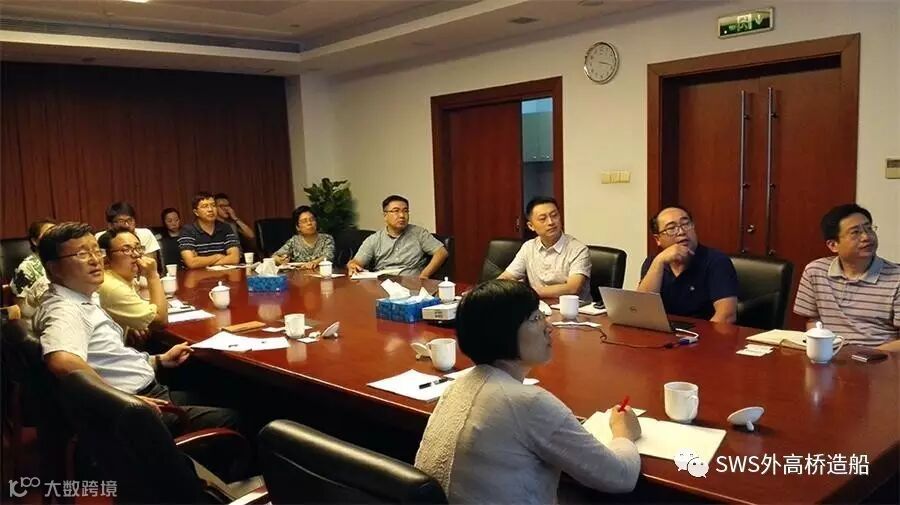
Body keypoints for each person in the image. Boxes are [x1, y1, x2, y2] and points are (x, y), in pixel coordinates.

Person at [415, 280, 641, 503]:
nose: (549, 327)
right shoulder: (529, 403)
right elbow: (621, 476)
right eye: (535, 319)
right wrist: (623, 432)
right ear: (502, 333)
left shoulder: (456, 386)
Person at [34, 222, 238, 434]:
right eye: (82, 254)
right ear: (54, 268)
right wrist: (122, 401)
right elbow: (62, 361)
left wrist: (158, 360)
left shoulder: (81, 297)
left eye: (96, 251)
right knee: (234, 416)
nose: (95, 260)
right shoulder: (65, 309)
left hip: (145, 392)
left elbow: (107, 358)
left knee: (223, 390)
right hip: (135, 412)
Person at [794, 204, 899, 348]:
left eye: (869, 229)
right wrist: (821, 350)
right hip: (831, 354)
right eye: (855, 232)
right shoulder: (815, 271)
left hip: (880, 357)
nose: (866, 237)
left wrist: (867, 356)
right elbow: (813, 320)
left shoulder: (896, 277)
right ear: (833, 245)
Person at [637, 206, 738, 323]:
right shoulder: (654, 262)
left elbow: (726, 316)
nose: (681, 232)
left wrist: (701, 335)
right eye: (671, 228)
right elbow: (641, 309)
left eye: (686, 224)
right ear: (657, 239)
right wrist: (658, 262)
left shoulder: (717, 261)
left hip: (704, 331)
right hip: (663, 330)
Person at [498, 197, 591, 300]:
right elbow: (505, 278)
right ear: (531, 226)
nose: (551, 222)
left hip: (573, 308)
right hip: (539, 306)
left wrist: (526, 292)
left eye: (554, 215)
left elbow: (572, 288)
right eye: (543, 219)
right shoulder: (528, 247)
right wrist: (498, 288)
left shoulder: (578, 249)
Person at [347, 195, 448, 279]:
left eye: (405, 211)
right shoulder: (374, 239)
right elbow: (356, 262)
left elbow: (441, 252)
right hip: (384, 284)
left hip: (412, 283)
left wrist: (424, 275)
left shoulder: (419, 233)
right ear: (385, 215)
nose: (402, 215)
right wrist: (352, 265)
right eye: (396, 211)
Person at [97, 228, 168, 340]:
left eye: (138, 248)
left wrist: (131, 323)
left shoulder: (121, 278)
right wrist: (153, 276)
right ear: (106, 258)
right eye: (126, 249)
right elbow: (160, 321)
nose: (136, 254)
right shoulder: (113, 286)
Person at [178, 192, 241, 270]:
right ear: (196, 212)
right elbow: (191, 262)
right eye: (205, 206)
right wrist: (217, 256)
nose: (210, 209)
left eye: (213, 205)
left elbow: (234, 259)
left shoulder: (225, 228)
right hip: (198, 276)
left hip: (223, 274)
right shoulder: (188, 230)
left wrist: (202, 262)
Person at [95, 202, 160, 263]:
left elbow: (150, 262)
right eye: (121, 221)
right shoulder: (101, 238)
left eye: (130, 220)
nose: (127, 225)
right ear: (110, 225)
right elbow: (101, 264)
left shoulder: (145, 234)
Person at [11, 218, 56, 299]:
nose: (54, 239)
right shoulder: (26, 267)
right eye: (48, 234)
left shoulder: (65, 260)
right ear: (35, 241)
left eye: (56, 234)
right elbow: (20, 301)